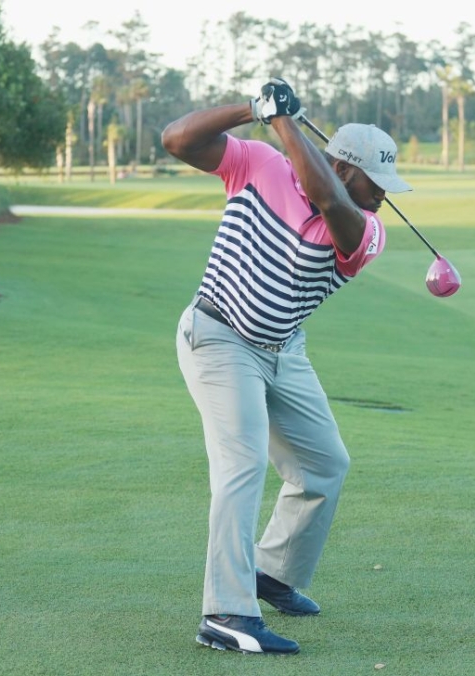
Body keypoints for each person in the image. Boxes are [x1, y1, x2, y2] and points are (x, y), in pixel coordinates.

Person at [161, 78, 411, 656]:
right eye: (377, 182)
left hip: (282, 349)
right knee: (242, 465)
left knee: (325, 464)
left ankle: (271, 572)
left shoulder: (365, 229)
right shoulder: (257, 164)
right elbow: (177, 140)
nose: (385, 195)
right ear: (344, 168)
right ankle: (225, 613)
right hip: (218, 337)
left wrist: (283, 120)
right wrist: (253, 109)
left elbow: (330, 201)